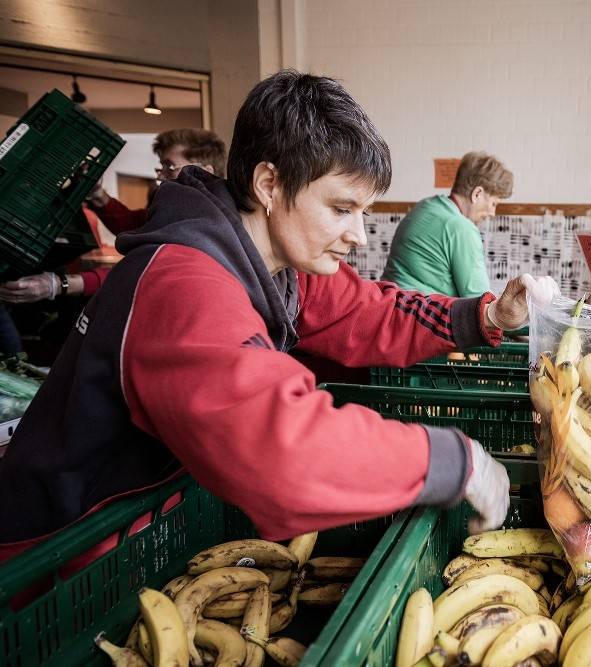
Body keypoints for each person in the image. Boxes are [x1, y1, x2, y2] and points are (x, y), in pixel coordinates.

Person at [0, 71, 554, 558]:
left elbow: (372, 313)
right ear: (269, 184)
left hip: (137, 529)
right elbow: (280, 445)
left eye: (364, 212)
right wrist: (454, 461)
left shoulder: (282, 267)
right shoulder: (182, 284)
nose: (359, 236)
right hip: (55, 559)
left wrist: (490, 316)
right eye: (341, 208)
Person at [0, 129, 227, 303]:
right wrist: (98, 195)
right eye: (161, 167)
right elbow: (136, 224)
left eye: (170, 166)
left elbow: (142, 272)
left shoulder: (201, 225)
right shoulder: (176, 212)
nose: (161, 177)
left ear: (205, 172)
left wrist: (59, 284)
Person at [381, 151, 512, 297]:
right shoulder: (462, 229)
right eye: (493, 203)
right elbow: (480, 302)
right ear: (477, 194)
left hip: (390, 304)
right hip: (418, 316)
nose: (492, 213)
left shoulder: (424, 206)